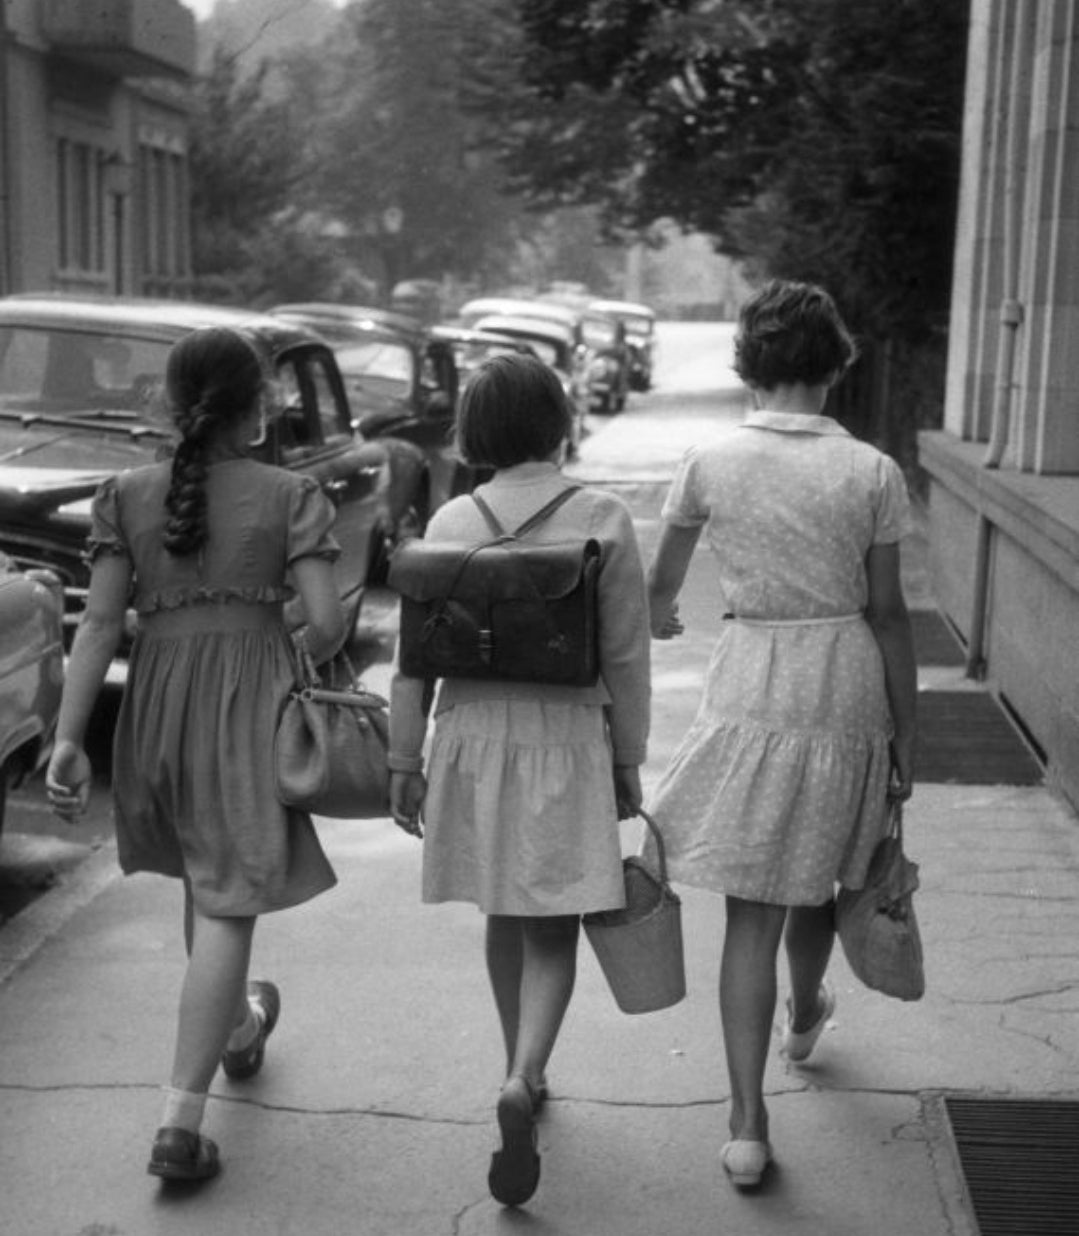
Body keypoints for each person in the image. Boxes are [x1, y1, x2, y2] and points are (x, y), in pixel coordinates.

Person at [45, 327, 345, 1183]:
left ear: (173, 406)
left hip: (158, 711)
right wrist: (257, 629)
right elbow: (323, 625)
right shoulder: (291, 494)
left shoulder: (126, 493)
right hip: (245, 708)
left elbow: (99, 624)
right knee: (226, 905)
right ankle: (178, 1122)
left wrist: (69, 740)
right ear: (257, 406)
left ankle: (241, 1026)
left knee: (203, 874)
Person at [645, 280, 917, 1190]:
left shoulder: (709, 461)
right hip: (843, 686)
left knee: (751, 908)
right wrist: (905, 736)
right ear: (836, 363)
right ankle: (806, 1015)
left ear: (748, 365)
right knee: (820, 877)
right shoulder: (871, 472)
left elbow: (659, 584)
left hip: (753, 680)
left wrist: (662, 617)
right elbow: (887, 614)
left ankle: (746, 1124)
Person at [388, 353, 651, 1208]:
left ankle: (515, 1073)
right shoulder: (603, 516)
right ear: (557, 422)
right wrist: (626, 758)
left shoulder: (454, 517)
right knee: (554, 925)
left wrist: (403, 761)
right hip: (563, 738)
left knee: (504, 907)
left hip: (470, 737)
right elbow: (624, 657)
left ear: (476, 433)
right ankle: (525, 1073)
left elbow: (411, 661)